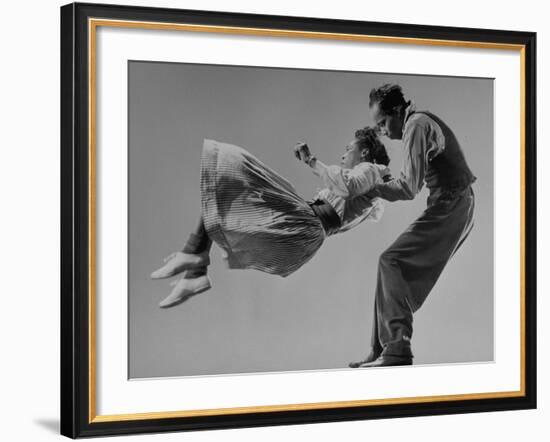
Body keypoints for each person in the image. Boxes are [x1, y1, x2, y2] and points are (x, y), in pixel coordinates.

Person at [150, 127, 391, 308]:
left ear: (365, 152)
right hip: (305, 230)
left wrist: (311, 160)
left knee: (232, 169)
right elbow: (356, 199)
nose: (344, 153)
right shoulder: (371, 191)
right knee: (226, 196)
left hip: (306, 222)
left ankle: (194, 257)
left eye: (349, 149)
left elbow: (347, 186)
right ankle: (195, 270)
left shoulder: (369, 170)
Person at [348, 84, 476, 368]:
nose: (381, 130)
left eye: (382, 123)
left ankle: (397, 348)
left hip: (453, 204)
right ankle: (381, 347)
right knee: (389, 267)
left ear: (397, 111)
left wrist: (372, 188)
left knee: (390, 261)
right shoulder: (416, 124)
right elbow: (409, 181)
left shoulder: (416, 125)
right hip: (453, 204)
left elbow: (407, 188)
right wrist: (379, 187)